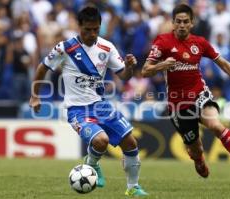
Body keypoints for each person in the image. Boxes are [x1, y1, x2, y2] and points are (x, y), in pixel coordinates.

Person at [29, 6, 148, 196]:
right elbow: (42, 68)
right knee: (101, 141)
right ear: (79, 27)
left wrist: (129, 66)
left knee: (131, 142)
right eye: (88, 30)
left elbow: (124, 76)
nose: (92, 34)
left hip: (100, 105)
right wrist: (35, 95)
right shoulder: (65, 48)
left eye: (96, 29)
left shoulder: (107, 47)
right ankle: (91, 163)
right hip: (76, 110)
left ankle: (133, 188)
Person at [142, 4, 230, 181]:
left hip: (199, 94)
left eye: (186, 21)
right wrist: (162, 65)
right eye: (178, 21)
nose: (182, 25)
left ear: (192, 23)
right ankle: (198, 160)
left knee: (216, 126)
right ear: (173, 23)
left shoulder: (200, 43)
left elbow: (223, 63)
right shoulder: (163, 42)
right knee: (195, 147)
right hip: (178, 104)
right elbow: (145, 70)